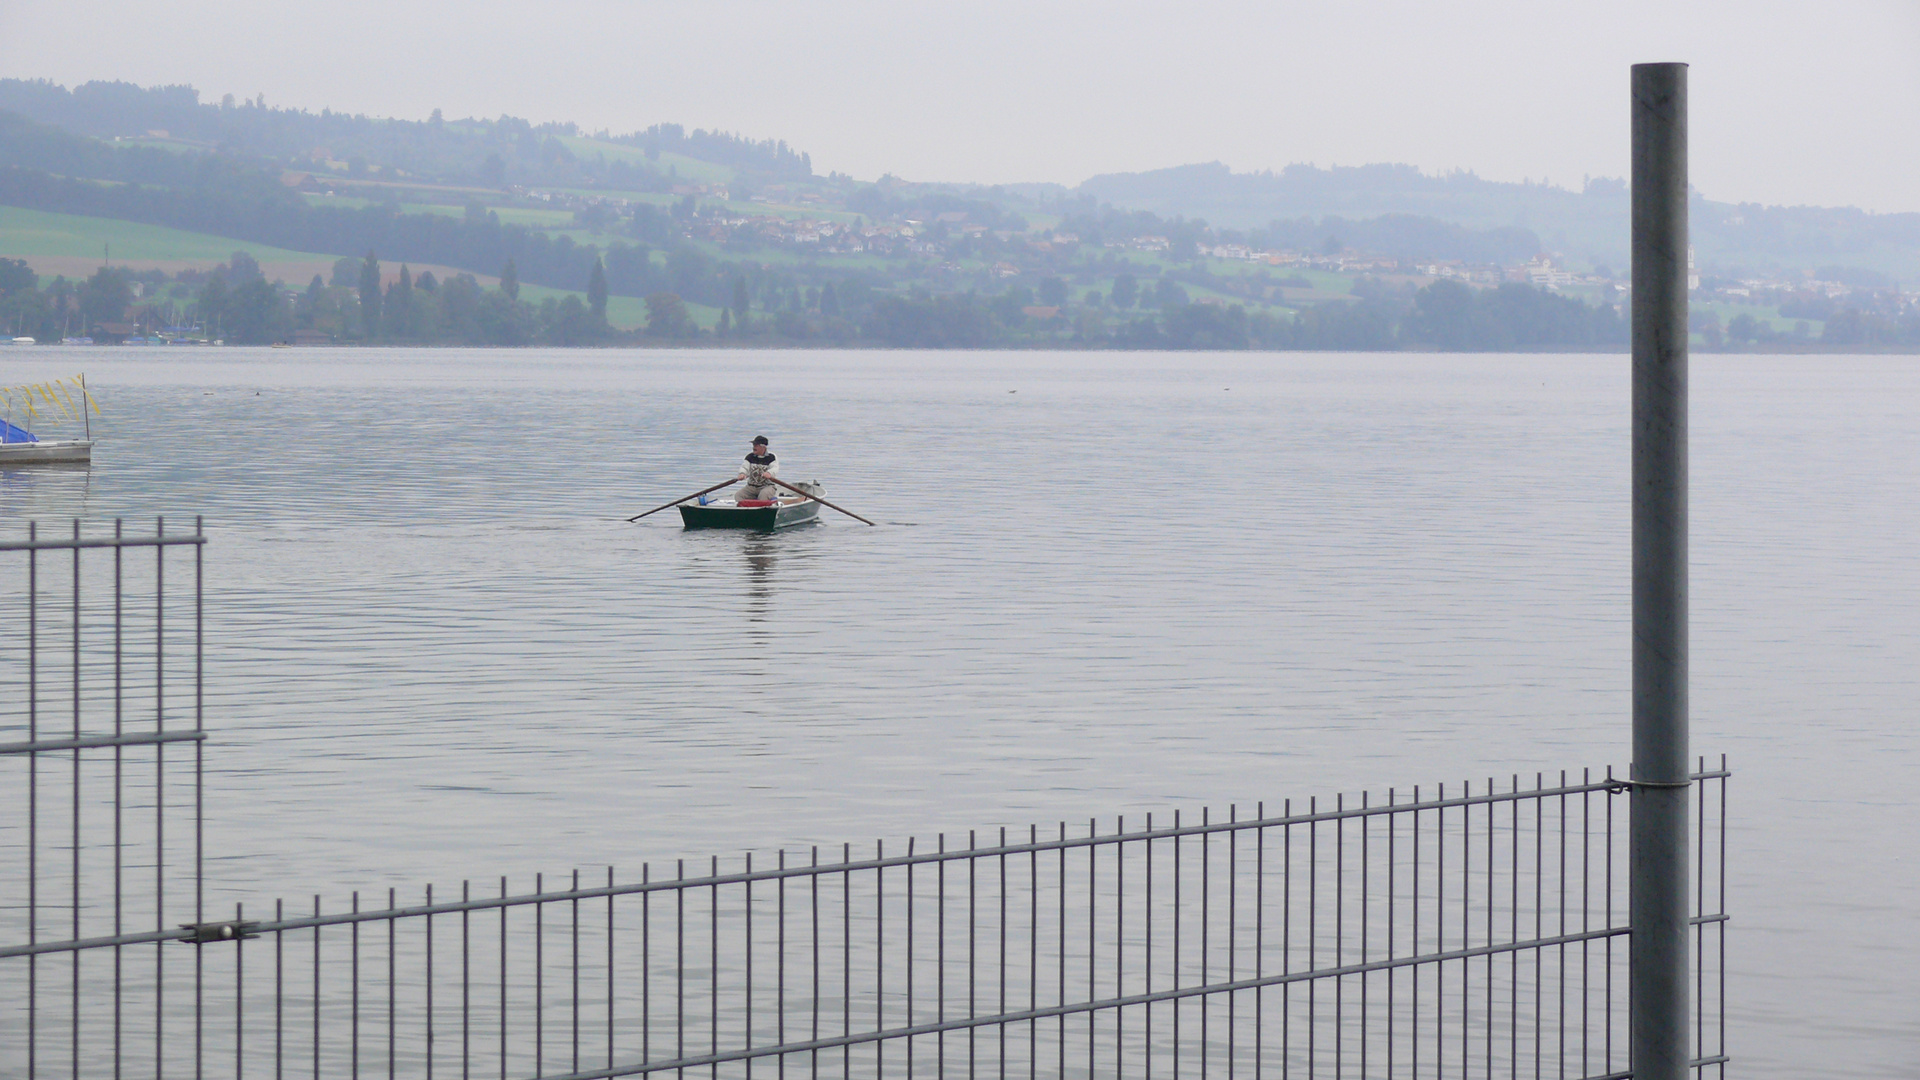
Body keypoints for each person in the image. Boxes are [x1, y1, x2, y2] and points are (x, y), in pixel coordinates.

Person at [735, 436, 781, 503]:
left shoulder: (771, 457)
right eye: (753, 445)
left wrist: (769, 473)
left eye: (756, 445)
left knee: (763, 495)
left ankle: (761, 511)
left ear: (763, 447)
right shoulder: (750, 457)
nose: (754, 447)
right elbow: (745, 467)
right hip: (751, 487)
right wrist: (742, 473)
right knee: (738, 495)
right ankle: (745, 510)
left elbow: (775, 468)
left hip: (767, 486)